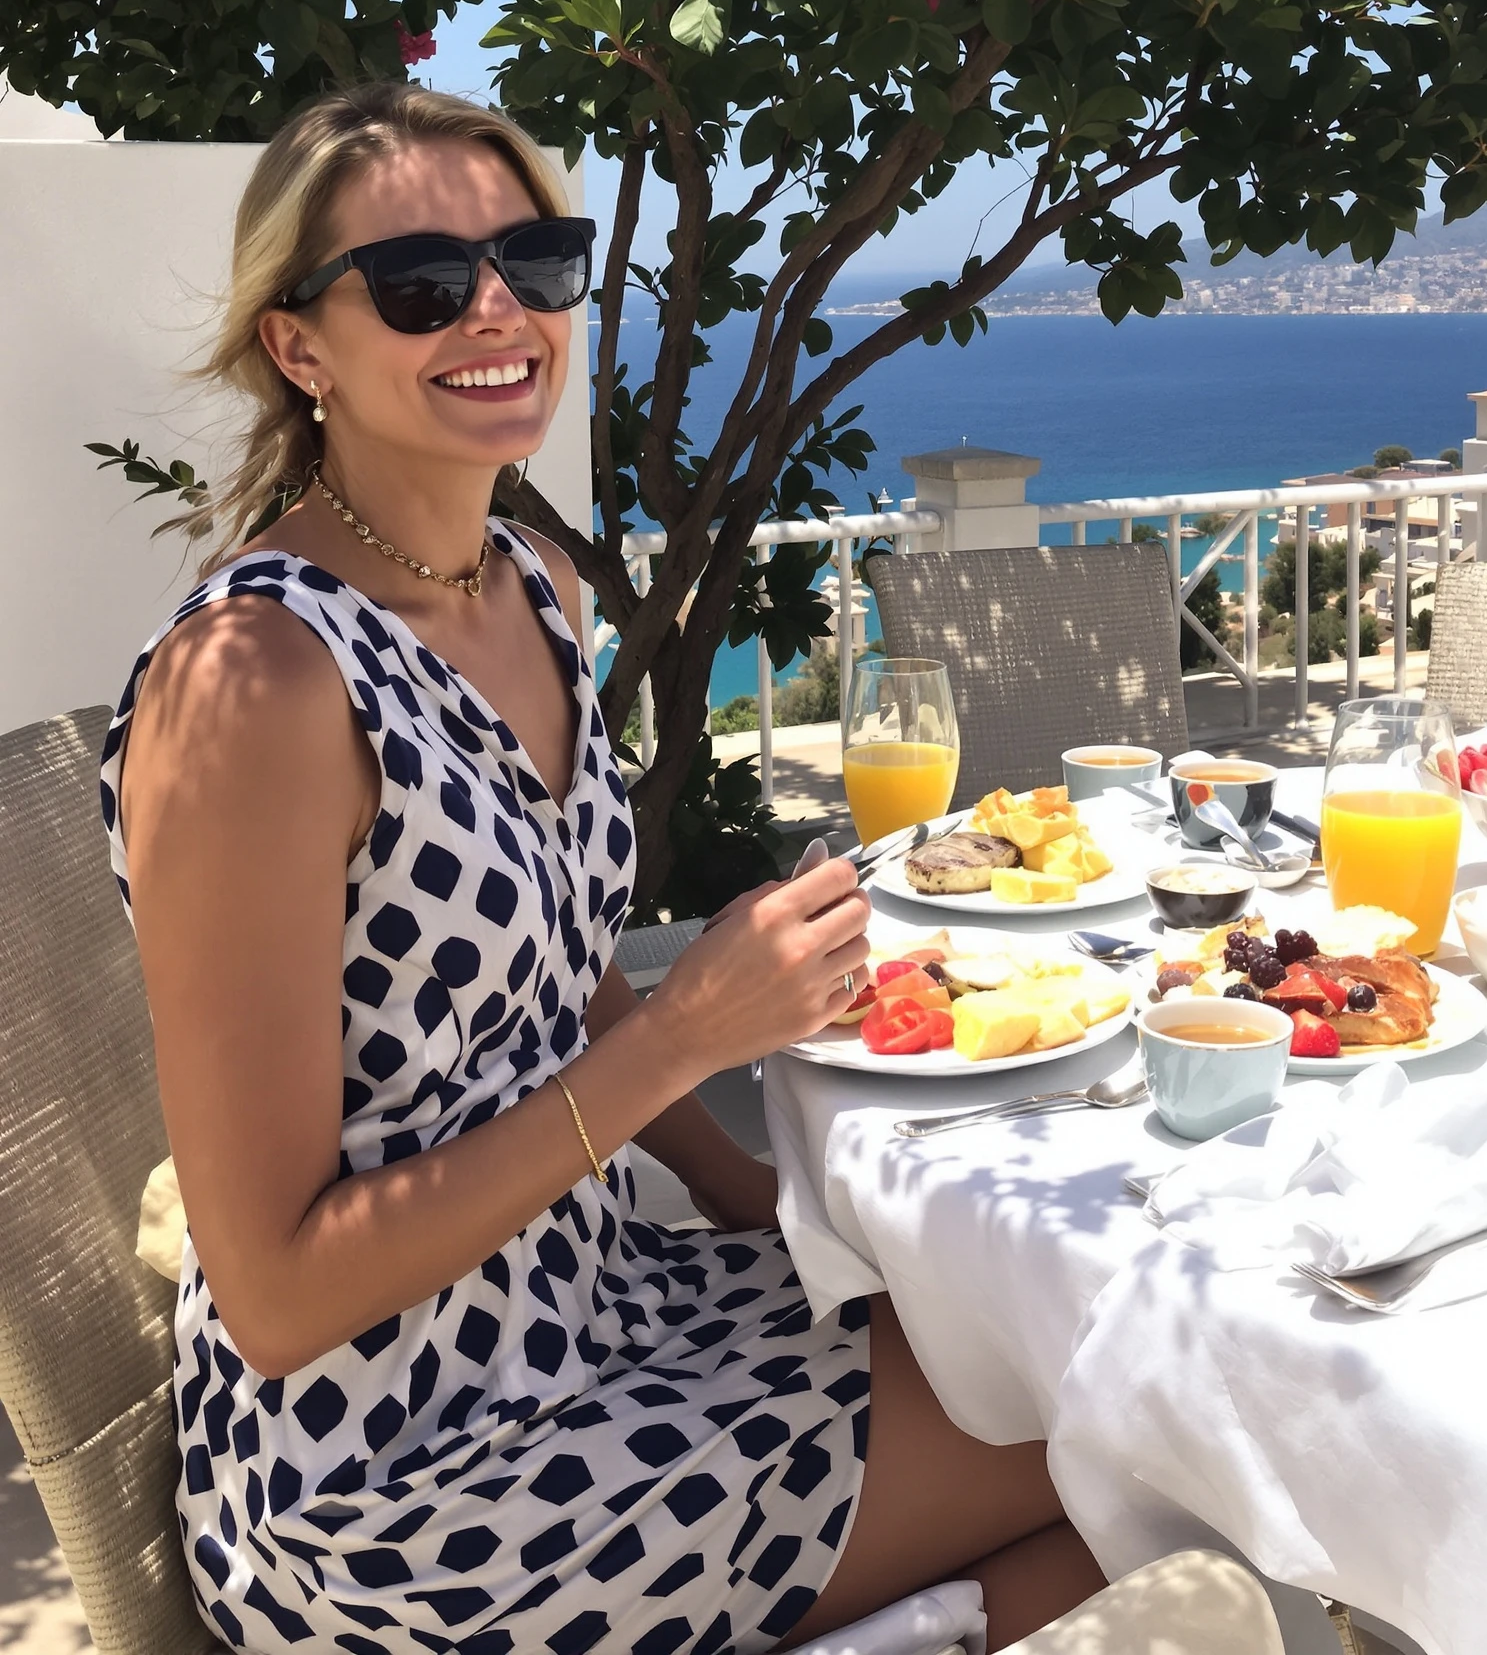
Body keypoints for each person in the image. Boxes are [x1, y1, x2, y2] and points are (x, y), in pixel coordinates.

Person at [104, 83, 1107, 1655]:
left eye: (537, 260)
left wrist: (762, 1205)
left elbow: (549, 951)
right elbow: (283, 1293)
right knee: (1124, 1442)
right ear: (300, 347)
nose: (497, 308)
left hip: (603, 1308)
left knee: (1097, 1370)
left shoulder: (535, 582)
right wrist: (682, 1047)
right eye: (424, 283)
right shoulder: (259, 691)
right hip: (390, 1476)